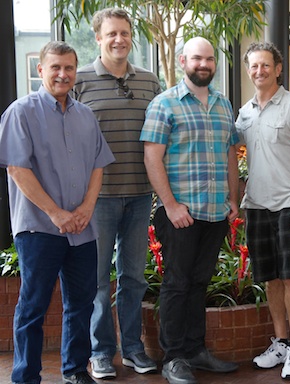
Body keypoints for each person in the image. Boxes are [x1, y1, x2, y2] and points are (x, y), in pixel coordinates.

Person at [0, 41, 115, 384]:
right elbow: (17, 170)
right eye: (55, 67)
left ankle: (76, 369)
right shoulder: (21, 112)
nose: (63, 74)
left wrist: (85, 209)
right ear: (41, 70)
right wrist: (56, 213)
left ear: (75, 72)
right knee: (33, 307)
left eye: (69, 68)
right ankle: (25, 377)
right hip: (39, 229)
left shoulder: (85, 115)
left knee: (80, 304)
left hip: (83, 229)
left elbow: (98, 166)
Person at [140, 36, 240, 384]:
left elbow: (229, 153)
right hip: (181, 213)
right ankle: (174, 358)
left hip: (214, 212)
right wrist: (170, 205)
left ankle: (196, 349)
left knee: (199, 284)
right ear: (183, 61)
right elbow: (152, 156)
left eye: (209, 59)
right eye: (197, 58)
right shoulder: (164, 104)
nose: (204, 64)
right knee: (177, 284)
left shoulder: (223, 104)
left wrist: (233, 200)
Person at [72, 7, 162, 379]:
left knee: (133, 278)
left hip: (141, 195)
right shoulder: (78, 81)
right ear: (98, 38)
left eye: (124, 33)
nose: (119, 39)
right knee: (96, 282)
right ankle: (101, 353)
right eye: (111, 33)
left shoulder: (149, 81)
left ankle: (133, 349)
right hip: (97, 199)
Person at [235, 41, 290, 380]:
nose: (259, 71)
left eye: (265, 65)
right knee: (270, 279)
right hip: (256, 206)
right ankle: (281, 342)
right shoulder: (244, 112)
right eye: (254, 66)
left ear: (278, 68)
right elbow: (232, 154)